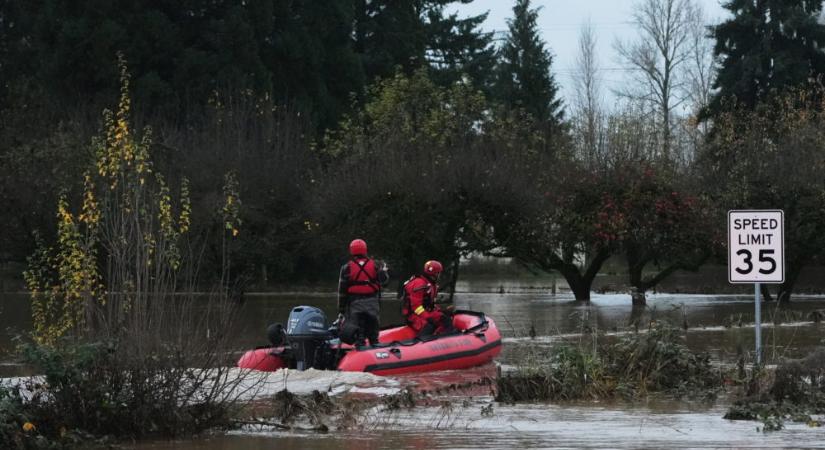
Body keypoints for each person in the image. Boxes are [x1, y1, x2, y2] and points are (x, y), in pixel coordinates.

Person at [338, 238, 388, 347]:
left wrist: (341, 309)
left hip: (355, 305)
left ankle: (360, 347)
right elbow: (384, 282)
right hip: (372, 304)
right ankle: (375, 348)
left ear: (352, 251)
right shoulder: (376, 265)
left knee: (359, 334)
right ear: (365, 250)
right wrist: (383, 270)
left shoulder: (346, 268)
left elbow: (342, 291)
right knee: (373, 335)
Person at [402, 260, 455, 338]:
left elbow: (430, 304)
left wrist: (442, 310)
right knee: (429, 326)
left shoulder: (430, 284)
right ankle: (419, 345)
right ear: (435, 273)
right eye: (439, 273)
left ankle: (445, 340)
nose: (439, 275)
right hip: (413, 315)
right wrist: (428, 317)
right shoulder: (419, 283)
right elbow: (416, 307)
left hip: (424, 312)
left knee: (446, 320)